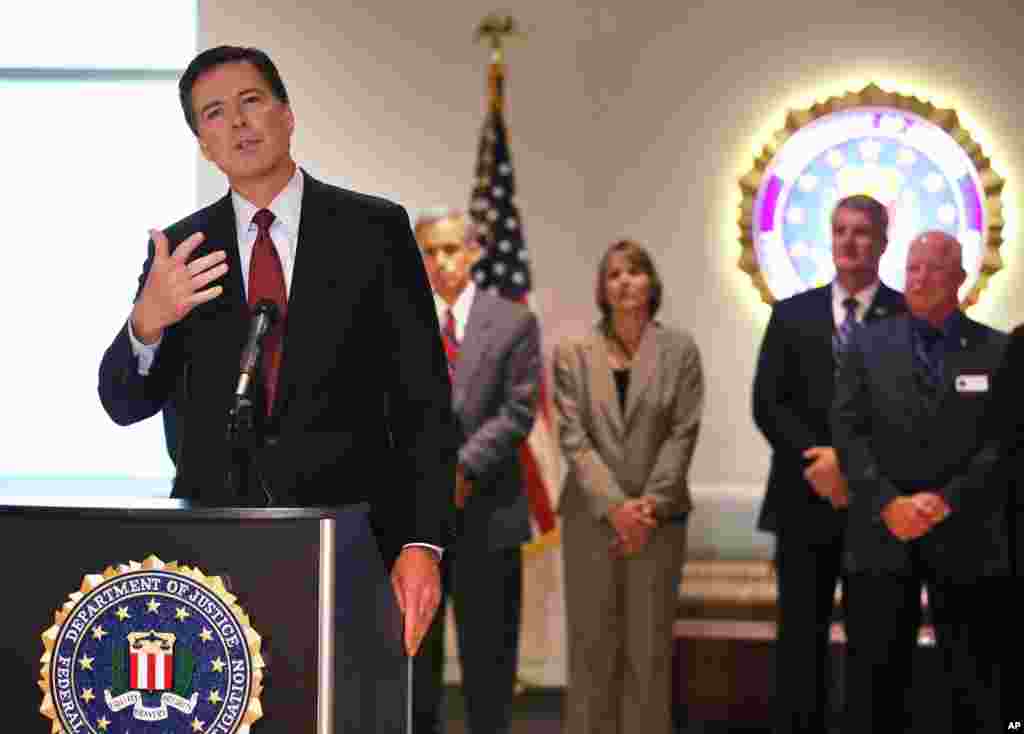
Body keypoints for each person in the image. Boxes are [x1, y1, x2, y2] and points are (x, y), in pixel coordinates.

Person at [97, 46, 456, 657]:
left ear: (287, 115)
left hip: (354, 545)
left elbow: (424, 401)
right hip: (216, 559)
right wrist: (148, 321)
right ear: (203, 145)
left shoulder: (374, 231)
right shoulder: (184, 250)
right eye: (214, 114)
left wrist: (422, 543)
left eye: (251, 101)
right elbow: (124, 402)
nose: (237, 122)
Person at [832, 230, 1008, 732]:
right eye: (911, 268)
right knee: (874, 686)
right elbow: (847, 431)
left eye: (932, 267)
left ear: (959, 278)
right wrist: (890, 503)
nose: (919, 278)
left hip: (966, 539)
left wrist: (947, 501)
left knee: (974, 685)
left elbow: (1002, 444)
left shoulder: (995, 352)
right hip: (882, 535)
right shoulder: (865, 344)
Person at [752, 194, 906, 734]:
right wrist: (816, 461)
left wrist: (850, 464)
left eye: (861, 232)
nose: (848, 241)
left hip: (875, 507)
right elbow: (768, 402)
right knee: (800, 640)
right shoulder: (791, 314)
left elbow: (911, 411)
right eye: (840, 230)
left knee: (875, 641)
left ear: (883, 243)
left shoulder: (907, 317)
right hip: (803, 500)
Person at [553, 239, 703, 734]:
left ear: (652, 283)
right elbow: (573, 439)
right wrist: (616, 508)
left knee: (649, 653)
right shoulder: (574, 353)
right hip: (591, 522)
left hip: (658, 524)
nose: (624, 281)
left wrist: (647, 508)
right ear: (602, 287)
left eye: (635, 271)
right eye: (613, 273)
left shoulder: (679, 350)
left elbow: (684, 431)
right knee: (592, 650)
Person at [409, 211, 541, 733]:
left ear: (473, 251)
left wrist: (461, 467)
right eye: (430, 252)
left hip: (489, 517)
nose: (441, 262)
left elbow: (519, 410)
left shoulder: (513, 322)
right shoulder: (402, 319)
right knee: (417, 667)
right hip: (418, 526)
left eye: (450, 249)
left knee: (489, 668)